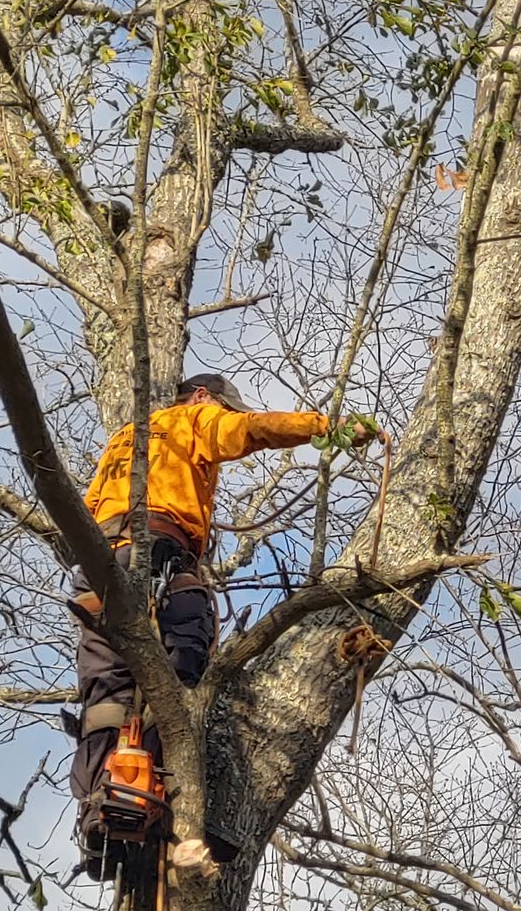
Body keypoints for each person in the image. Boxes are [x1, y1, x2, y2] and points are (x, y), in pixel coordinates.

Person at [68, 372, 373, 879]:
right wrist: (330, 428)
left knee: (107, 686)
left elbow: (87, 510)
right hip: (158, 547)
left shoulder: (125, 438)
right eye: (222, 410)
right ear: (206, 398)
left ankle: (103, 806)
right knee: (187, 656)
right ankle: (169, 791)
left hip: (100, 562)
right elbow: (253, 430)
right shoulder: (193, 417)